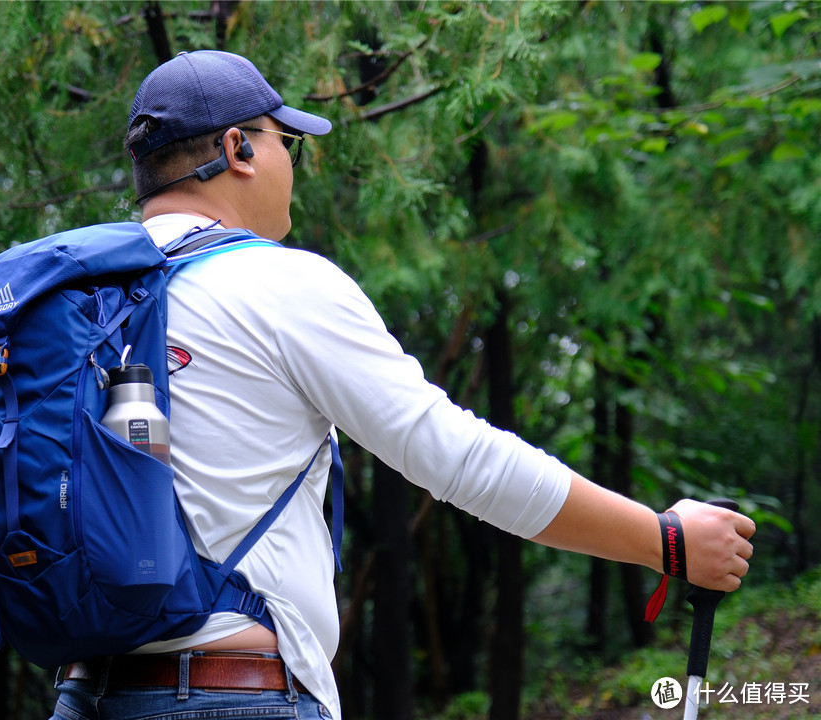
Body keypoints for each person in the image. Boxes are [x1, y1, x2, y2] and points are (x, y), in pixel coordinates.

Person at [49, 50, 756, 720]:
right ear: (238, 149)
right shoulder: (275, 283)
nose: (292, 163)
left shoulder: (78, 304)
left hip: (87, 694)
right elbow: (457, 458)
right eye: (283, 142)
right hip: (237, 696)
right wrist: (664, 541)